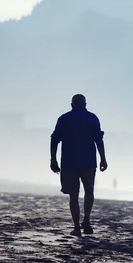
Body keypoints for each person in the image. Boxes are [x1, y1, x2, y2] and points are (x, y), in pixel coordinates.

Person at [50, 94, 108, 236]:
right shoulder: (92, 118)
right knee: (89, 192)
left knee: (73, 195)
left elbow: (54, 139)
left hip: (69, 162)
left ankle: (76, 227)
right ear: (85, 105)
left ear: (71, 105)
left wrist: (53, 159)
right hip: (88, 162)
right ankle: (86, 219)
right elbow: (98, 141)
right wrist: (103, 159)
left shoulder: (63, 119)